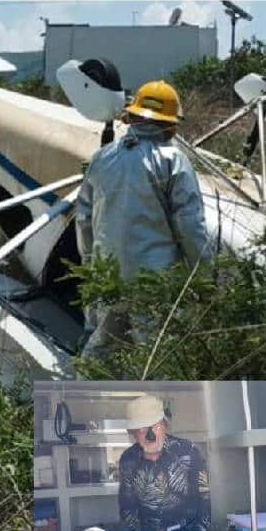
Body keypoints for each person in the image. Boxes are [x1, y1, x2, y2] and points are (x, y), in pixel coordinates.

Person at [76, 80, 212, 359]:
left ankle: (82, 400)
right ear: (170, 124)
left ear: (133, 116)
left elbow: (84, 220)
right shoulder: (174, 160)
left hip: (107, 278)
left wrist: (90, 268)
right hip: (153, 284)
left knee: (101, 355)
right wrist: (206, 278)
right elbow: (190, 228)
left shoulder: (101, 158)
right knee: (156, 360)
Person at [118, 395, 211, 531]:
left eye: (156, 426)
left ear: (165, 425)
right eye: (142, 429)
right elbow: (127, 505)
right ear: (134, 434)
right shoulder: (128, 459)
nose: (151, 436)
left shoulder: (188, 451)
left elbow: (205, 499)